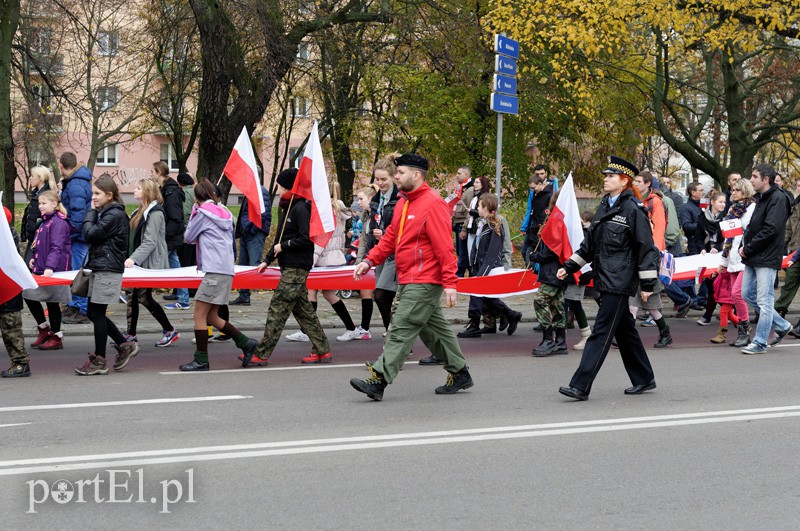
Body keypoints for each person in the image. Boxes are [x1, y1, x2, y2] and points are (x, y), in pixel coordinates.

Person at [349, 153, 473, 401]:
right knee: (433, 331)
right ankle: (460, 372)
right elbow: (390, 238)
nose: (396, 176)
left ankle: (379, 379)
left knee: (402, 326)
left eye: (401, 173)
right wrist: (368, 260)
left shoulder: (433, 203)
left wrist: (450, 283)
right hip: (407, 277)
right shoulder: (404, 203)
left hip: (425, 278)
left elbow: (444, 247)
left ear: (416, 175)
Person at [556, 156, 660, 401]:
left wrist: (647, 285)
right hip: (606, 278)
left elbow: (646, 248)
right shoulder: (604, 206)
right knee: (624, 331)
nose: (605, 179)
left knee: (600, 332)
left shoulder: (634, 209)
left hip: (620, 281)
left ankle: (580, 385)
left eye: (610, 176)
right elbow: (590, 245)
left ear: (624, 181)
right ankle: (644, 378)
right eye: (606, 175)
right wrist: (570, 266)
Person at [241, 168, 331, 367]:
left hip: (296, 267)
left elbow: (306, 239)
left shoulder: (300, 208)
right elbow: (279, 238)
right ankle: (322, 350)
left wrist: (284, 247)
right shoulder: (288, 206)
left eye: (281, 185)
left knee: (278, 308)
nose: (278, 188)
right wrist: (267, 259)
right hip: (289, 265)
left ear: (289, 186)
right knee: (304, 312)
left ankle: (261, 353)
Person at [180, 179, 257, 371]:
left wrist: (193, 215)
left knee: (199, 313)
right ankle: (246, 343)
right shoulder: (224, 212)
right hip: (225, 268)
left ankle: (201, 359)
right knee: (212, 316)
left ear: (197, 197)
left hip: (214, 269)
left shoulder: (202, 213)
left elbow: (188, 238)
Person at [74, 175, 139, 376]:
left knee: (97, 313)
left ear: (109, 195)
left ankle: (100, 360)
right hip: (102, 267)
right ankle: (123, 344)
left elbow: (90, 234)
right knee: (94, 313)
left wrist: (90, 213)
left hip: (108, 269)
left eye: (97, 194)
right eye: (93, 193)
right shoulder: (109, 212)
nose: (93, 197)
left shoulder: (114, 215)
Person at [739, 163, 793, 354]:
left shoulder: (778, 199)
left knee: (765, 300)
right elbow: (753, 227)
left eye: (754, 177)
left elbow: (771, 229)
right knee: (746, 294)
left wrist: (749, 247)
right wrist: (743, 247)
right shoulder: (761, 198)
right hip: (754, 255)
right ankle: (782, 325)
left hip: (767, 256)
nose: (751, 180)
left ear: (766, 179)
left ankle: (760, 342)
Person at [124, 179, 180, 347]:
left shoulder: (155, 213)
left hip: (147, 264)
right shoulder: (139, 211)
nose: (134, 190)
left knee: (143, 297)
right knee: (133, 297)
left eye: (138, 188)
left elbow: (150, 242)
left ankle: (169, 330)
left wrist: (133, 258)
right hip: (138, 263)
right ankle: (131, 334)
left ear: (147, 192)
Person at [458, 193, 522, 340]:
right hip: (478, 265)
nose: (477, 208)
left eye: (479, 206)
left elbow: (492, 253)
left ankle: (474, 325)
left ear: (485, 207)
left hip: (487, 267)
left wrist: (482, 273)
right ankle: (510, 314)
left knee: (476, 293)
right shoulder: (482, 222)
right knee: (486, 297)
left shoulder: (495, 226)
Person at [356, 155, 401, 336]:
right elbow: (369, 233)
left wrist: (386, 234)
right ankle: (394, 335)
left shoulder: (399, 199)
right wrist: (366, 260)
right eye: (377, 179)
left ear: (393, 177)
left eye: (384, 179)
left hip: (395, 254)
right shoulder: (376, 200)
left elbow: (402, 229)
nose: (380, 183)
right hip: (381, 254)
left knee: (382, 295)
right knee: (383, 297)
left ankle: (395, 337)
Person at [22, 190, 72, 351]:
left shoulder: (59, 222)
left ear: (55, 204)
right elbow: (40, 245)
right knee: (28, 295)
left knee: (52, 302)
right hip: (43, 268)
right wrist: (34, 259)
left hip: (55, 269)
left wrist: (50, 267)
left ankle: (56, 335)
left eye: (44, 203)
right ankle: (44, 328)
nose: (41, 206)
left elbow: (57, 247)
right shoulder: (44, 221)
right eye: (40, 203)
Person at [630, 172, 673, 348]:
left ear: (648, 184)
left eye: (639, 181)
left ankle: (665, 333)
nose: (635, 184)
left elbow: (658, 231)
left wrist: (652, 254)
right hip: (639, 256)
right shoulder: (637, 200)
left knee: (650, 305)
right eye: (635, 181)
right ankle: (629, 336)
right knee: (634, 302)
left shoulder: (655, 202)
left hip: (649, 257)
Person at [712, 179, 755, 345]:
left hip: (745, 258)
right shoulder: (732, 209)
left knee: (738, 294)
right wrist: (723, 260)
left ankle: (745, 330)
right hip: (732, 258)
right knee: (736, 296)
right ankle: (745, 331)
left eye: (736, 190)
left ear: (744, 191)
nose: (733, 193)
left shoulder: (752, 208)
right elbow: (728, 236)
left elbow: (750, 231)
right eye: (732, 190)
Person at [530, 193, 569, 356]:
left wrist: (535, 257)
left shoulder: (557, 220)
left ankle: (548, 340)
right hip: (559, 270)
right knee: (556, 305)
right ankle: (560, 342)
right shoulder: (561, 219)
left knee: (540, 300)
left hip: (554, 270)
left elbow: (552, 250)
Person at [148, 162, 189, 310]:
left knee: (173, 267)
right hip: (169, 236)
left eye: (152, 171)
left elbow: (175, 218)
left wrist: (164, 236)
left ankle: (183, 299)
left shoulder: (171, 192)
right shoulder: (166, 190)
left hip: (170, 237)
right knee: (175, 266)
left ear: (159, 173)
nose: (151, 174)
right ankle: (183, 298)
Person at [59, 152, 93, 324]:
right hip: (78, 235)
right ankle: (75, 305)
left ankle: (83, 309)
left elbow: (77, 215)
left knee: (80, 272)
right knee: (76, 271)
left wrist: (68, 234)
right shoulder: (76, 181)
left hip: (78, 236)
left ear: (61, 166)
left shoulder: (76, 184)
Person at [1, 207, 32, 377]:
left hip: (8, 289)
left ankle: (21, 363)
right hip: (7, 287)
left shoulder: (6, 236)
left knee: (11, 328)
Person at [230, 184, 271, 306]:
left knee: (255, 265)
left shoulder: (260, 192)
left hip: (254, 233)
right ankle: (244, 295)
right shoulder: (251, 190)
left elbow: (262, 214)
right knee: (243, 266)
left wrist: (249, 228)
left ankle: (273, 288)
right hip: (247, 233)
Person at [696, 191, 726, 326]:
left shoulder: (727, 217)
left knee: (722, 286)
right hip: (707, 256)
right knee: (711, 286)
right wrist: (702, 248)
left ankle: (729, 312)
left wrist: (719, 248)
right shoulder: (702, 217)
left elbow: (729, 237)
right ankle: (710, 314)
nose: (723, 204)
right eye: (720, 202)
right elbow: (698, 237)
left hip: (723, 256)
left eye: (724, 202)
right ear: (712, 202)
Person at [20, 165, 57, 263]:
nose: (30, 178)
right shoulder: (36, 194)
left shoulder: (46, 196)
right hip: (32, 240)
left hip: (40, 241)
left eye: (32, 176)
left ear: (40, 178)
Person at [776, 178, 800, 320]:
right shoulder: (796, 203)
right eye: (797, 185)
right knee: (790, 282)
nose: (799, 187)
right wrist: (781, 246)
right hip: (794, 250)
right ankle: (779, 311)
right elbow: (789, 228)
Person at [521, 165, 548, 266]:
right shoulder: (533, 190)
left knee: (533, 253)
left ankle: (533, 269)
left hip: (539, 227)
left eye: (542, 173)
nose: (540, 176)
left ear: (546, 174)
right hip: (531, 226)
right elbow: (529, 209)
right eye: (537, 174)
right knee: (525, 251)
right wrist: (524, 226)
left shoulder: (549, 190)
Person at [451, 166, 474, 277]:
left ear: (466, 175)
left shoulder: (469, 190)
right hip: (457, 222)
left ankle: (459, 275)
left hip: (462, 224)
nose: (457, 175)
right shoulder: (460, 188)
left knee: (463, 253)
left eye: (459, 173)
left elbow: (469, 211)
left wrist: (464, 228)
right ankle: (469, 274)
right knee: (461, 252)